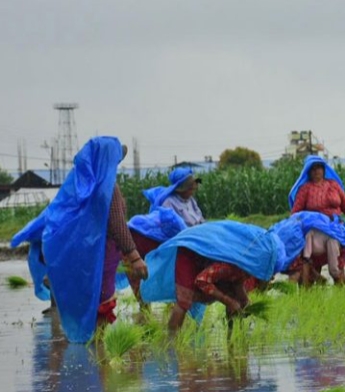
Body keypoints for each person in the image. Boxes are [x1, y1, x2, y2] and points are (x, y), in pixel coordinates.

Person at [39, 137, 148, 342]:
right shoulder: (108, 188)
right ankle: (97, 358)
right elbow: (117, 224)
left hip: (81, 255)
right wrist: (134, 257)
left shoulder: (78, 186)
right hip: (101, 253)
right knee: (101, 306)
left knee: (87, 301)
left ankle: (86, 360)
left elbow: (59, 219)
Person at [140, 221, 280, 331]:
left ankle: (233, 339)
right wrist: (228, 301)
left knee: (235, 299)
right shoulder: (229, 266)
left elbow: (237, 284)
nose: (270, 279)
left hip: (206, 260)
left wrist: (244, 301)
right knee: (184, 300)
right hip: (190, 251)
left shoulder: (245, 267)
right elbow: (202, 281)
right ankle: (171, 341)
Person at [289, 156, 345, 284]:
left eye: (319, 168)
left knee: (337, 266)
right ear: (308, 172)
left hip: (334, 229)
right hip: (314, 232)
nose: (316, 171)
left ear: (324, 170)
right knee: (308, 262)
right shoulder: (305, 189)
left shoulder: (333, 186)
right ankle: (308, 293)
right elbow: (295, 213)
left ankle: (340, 292)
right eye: (313, 169)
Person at [270, 211, 345, 286]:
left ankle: (297, 295)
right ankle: (292, 295)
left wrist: (317, 276)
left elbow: (307, 258)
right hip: (295, 242)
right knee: (296, 273)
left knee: (300, 269)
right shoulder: (334, 239)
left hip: (292, 238)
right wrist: (338, 279)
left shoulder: (316, 229)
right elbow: (333, 269)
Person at [126, 207, 188, 304]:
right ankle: (144, 310)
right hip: (132, 243)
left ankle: (166, 307)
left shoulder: (178, 237)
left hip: (145, 240)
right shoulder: (135, 235)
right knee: (137, 276)